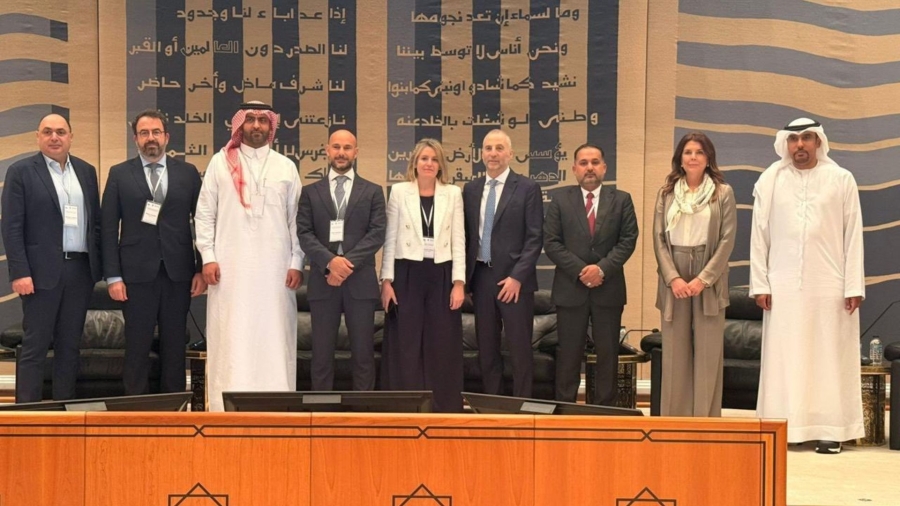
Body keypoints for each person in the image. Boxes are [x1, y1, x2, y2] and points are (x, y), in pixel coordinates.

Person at [750, 118, 865, 454]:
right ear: (785, 143)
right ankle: (786, 426)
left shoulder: (841, 179)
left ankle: (831, 430)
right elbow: (759, 235)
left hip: (830, 284)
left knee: (828, 356)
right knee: (785, 357)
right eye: (794, 139)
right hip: (783, 283)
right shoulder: (771, 180)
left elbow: (853, 234)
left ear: (819, 142)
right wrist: (760, 282)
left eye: (807, 138)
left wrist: (853, 285)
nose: (799, 145)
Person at [194, 101, 304, 411]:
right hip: (229, 270)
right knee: (232, 335)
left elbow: (298, 220)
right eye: (250, 119)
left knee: (274, 336)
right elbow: (204, 214)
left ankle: (278, 409)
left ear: (271, 126)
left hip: (276, 270)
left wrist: (297, 261)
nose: (256, 125)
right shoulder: (219, 163)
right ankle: (225, 409)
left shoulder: (286, 166)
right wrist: (208, 257)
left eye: (262, 120)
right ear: (239, 125)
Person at [101, 109, 206, 395]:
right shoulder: (119, 174)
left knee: (175, 344)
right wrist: (113, 276)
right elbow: (108, 228)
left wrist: (201, 268)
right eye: (144, 133)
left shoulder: (188, 173)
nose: (151, 138)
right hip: (135, 275)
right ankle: (135, 407)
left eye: (156, 132)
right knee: (137, 345)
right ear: (135, 138)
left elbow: (204, 223)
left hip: (178, 273)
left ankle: (174, 406)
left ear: (166, 137)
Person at [1, 114, 102, 402]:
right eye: (47, 132)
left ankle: (64, 410)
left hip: (80, 271)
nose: (54, 137)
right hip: (39, 273)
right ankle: (28, 414)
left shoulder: (86, 171)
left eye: (60, 131)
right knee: (35, 346)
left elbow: (95, 223)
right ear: (38, 137)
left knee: (70, 347)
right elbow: (11, 226)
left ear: (71, 137)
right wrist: (19, 272)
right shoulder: (21, 172)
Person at [544, 144, 638, 405]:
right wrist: (581, 271)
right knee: (569, 354)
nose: (589, 168)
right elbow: (551, 242)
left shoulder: (622, 200)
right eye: (583, 163)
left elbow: (628, 240)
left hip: (608, 289)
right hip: (570, 289)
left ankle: (604, 412)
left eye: (595, 162)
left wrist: (601, 269)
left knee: (608, 354)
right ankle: (565, 409)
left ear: (604, 168)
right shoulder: (560, 199)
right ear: (574, 168)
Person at [652, 132, 736, 416]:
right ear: (680, 158)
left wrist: (704, 279)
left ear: (708, 158)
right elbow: (658, 239)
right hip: (674, 272)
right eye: (688, 152)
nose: (693, 157)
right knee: (674, 352)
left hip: (708, 273)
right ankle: (674, 422)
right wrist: (673, 278)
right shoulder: (666, 193)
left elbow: (727, 239)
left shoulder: (722, 192)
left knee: (708, 353)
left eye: (699, 152)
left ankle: (705, 421)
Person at [296, 129, 386, 391]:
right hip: (323, 282)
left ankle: (363, 410)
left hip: (360, 282)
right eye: (336, 147)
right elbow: (304, 233)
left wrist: (344, 264)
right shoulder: (310, 192)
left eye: (347, 148)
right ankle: (321, 410)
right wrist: (330, 262)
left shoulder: (372, 191)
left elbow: (377, 233)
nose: (341, 152)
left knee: (363, 355)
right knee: (321, 356)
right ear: (327, 150)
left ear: (356, 152)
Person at [380, 138, 465, 412]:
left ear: (440, 165)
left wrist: (459, 283)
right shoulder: (399, 192)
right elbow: (390, 237)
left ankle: (443, 408)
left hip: (442, 274)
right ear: (414, 163)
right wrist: (386, 281)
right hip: (406, 273)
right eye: (424, 158)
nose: (429, 163)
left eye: (434, 159)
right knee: (406, 342)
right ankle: (404, 406)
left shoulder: (453, 193)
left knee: (441, 342)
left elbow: (459, 240)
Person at [463, 129, 543, 398]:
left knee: (520, 350)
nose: (493, 154)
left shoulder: (528, 188)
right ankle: (492, 405)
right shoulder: (471, 190)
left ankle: (522, 407)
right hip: (481, 279)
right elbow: (465, 237)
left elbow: (535, 238)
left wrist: (517, 277)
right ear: (481, 154)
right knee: (487, 350)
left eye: (499, 148)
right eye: (488, 148)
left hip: (515, 282)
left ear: (510, 154)